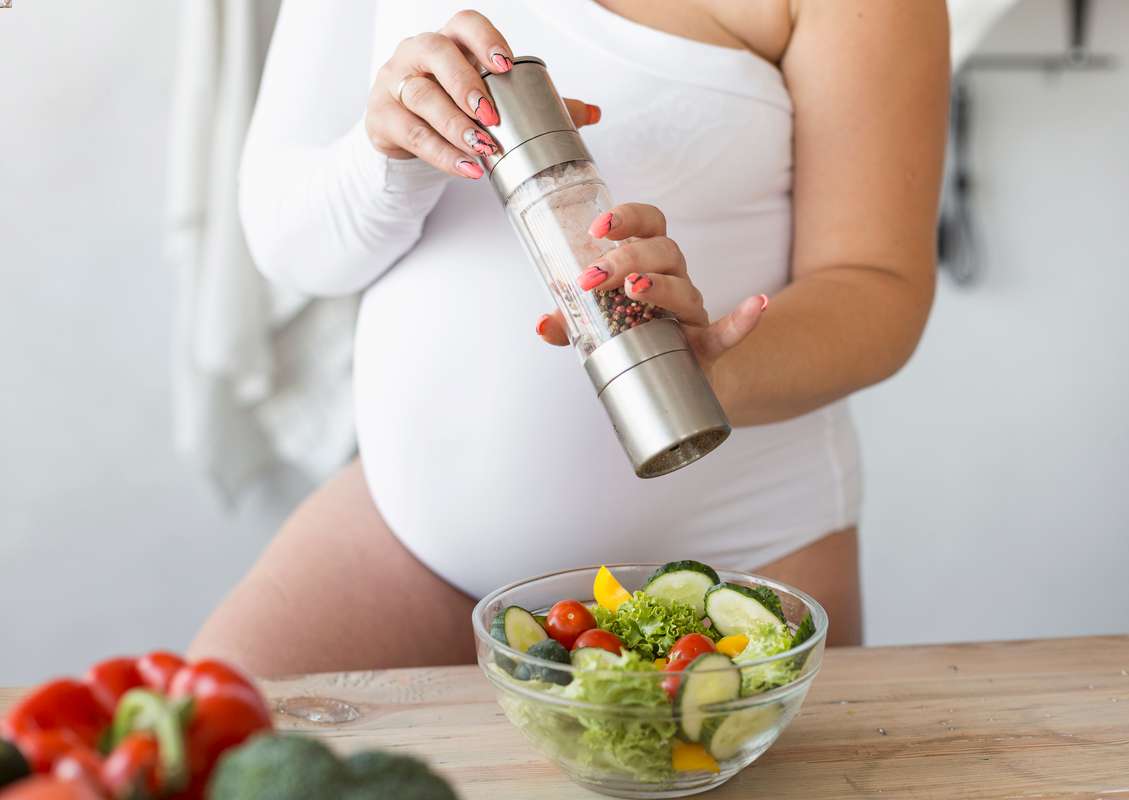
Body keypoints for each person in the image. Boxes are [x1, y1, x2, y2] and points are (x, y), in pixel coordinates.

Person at [190, 0, 948, 675]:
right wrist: (388, 158)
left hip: (736, 557)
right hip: (406, 548)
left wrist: (713, 370)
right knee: (196, 756)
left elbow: (877, 284)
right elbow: (289, 248)